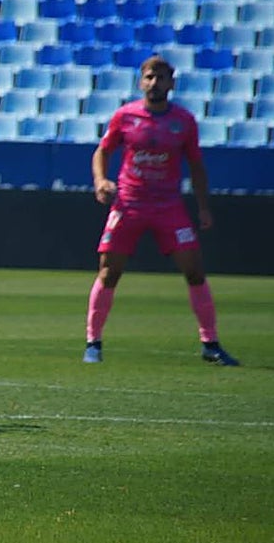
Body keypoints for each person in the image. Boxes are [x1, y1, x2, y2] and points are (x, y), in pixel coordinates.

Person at [84, 54, 239, 366]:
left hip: (169, 206)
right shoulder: (125, 116)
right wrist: (101, 181)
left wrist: (203, 207)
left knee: (194, 270)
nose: (154, 83)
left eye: (161, 78)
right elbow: (103, 151)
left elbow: (196, 165)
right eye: (149, 77)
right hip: (129, 203)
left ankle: (210, 342)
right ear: (141, 82)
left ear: (171, 83)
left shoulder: (183, 121)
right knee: (109, 270)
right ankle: (93, 342)